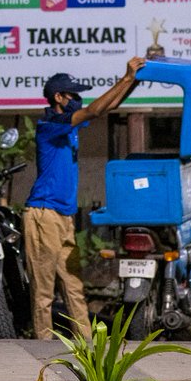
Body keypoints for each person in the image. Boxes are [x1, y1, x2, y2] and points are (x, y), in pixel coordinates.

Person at [24, 58, 145, 341]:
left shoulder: (69, 126)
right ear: (58, 97)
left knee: (74, 286)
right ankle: (43, 349)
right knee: (44, 290)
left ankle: (87, 346)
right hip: (43, 215)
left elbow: (106, 107)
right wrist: (126, 78)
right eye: (73, 95)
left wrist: (134, 80)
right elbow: (93, 109)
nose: (79, 100)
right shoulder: (51, 124)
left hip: (63, 217)